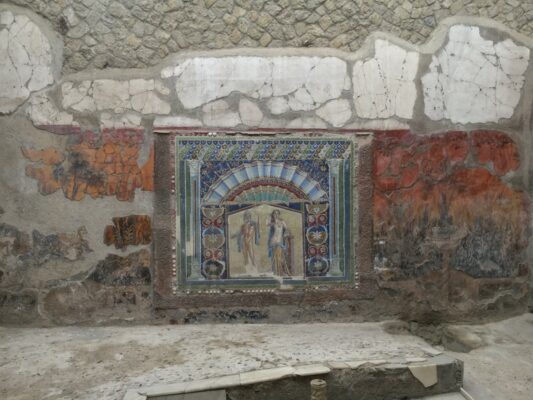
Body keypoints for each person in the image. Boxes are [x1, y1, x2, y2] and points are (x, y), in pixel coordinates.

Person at [266, 209, 292, 276]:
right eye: (275, 213)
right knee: (275, 258)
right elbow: (267, 224)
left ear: (279, 214)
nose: (276, 215)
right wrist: (272, 221)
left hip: (280, 241)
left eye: (277, 213)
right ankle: (277, 272)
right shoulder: (272, 222)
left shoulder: (282, 221)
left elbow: (286, 229)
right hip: (274, 241)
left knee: (280, 257)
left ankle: (280, 272)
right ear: (273, 215)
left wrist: (286, 233)